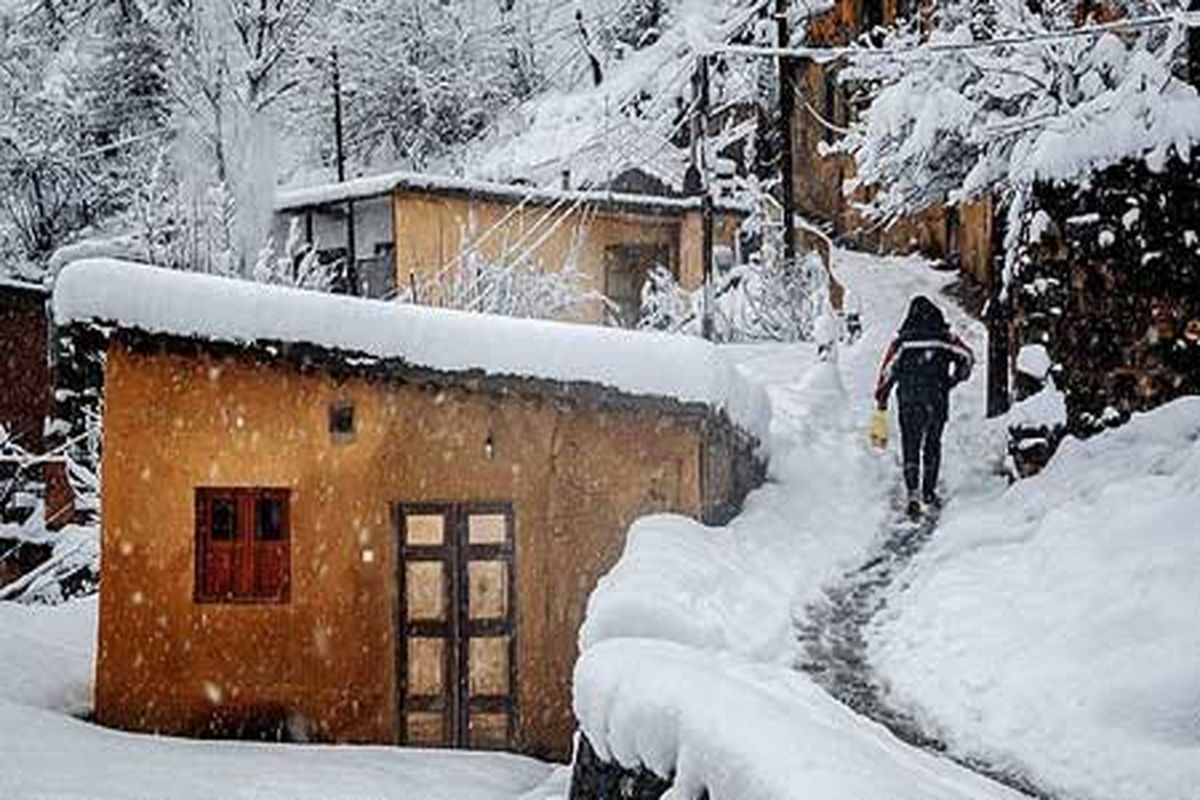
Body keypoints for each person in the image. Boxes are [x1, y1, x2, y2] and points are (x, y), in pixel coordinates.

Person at [874, 296, 974, 517]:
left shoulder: (902, 342)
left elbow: (887, 372)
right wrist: (953, 380)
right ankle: (929, 491)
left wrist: (882, 398)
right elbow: (967, 358)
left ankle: (912, 493)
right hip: (936, 398)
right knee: (932, 444)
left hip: (909, 400)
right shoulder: (944, 338)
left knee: (911, 444)